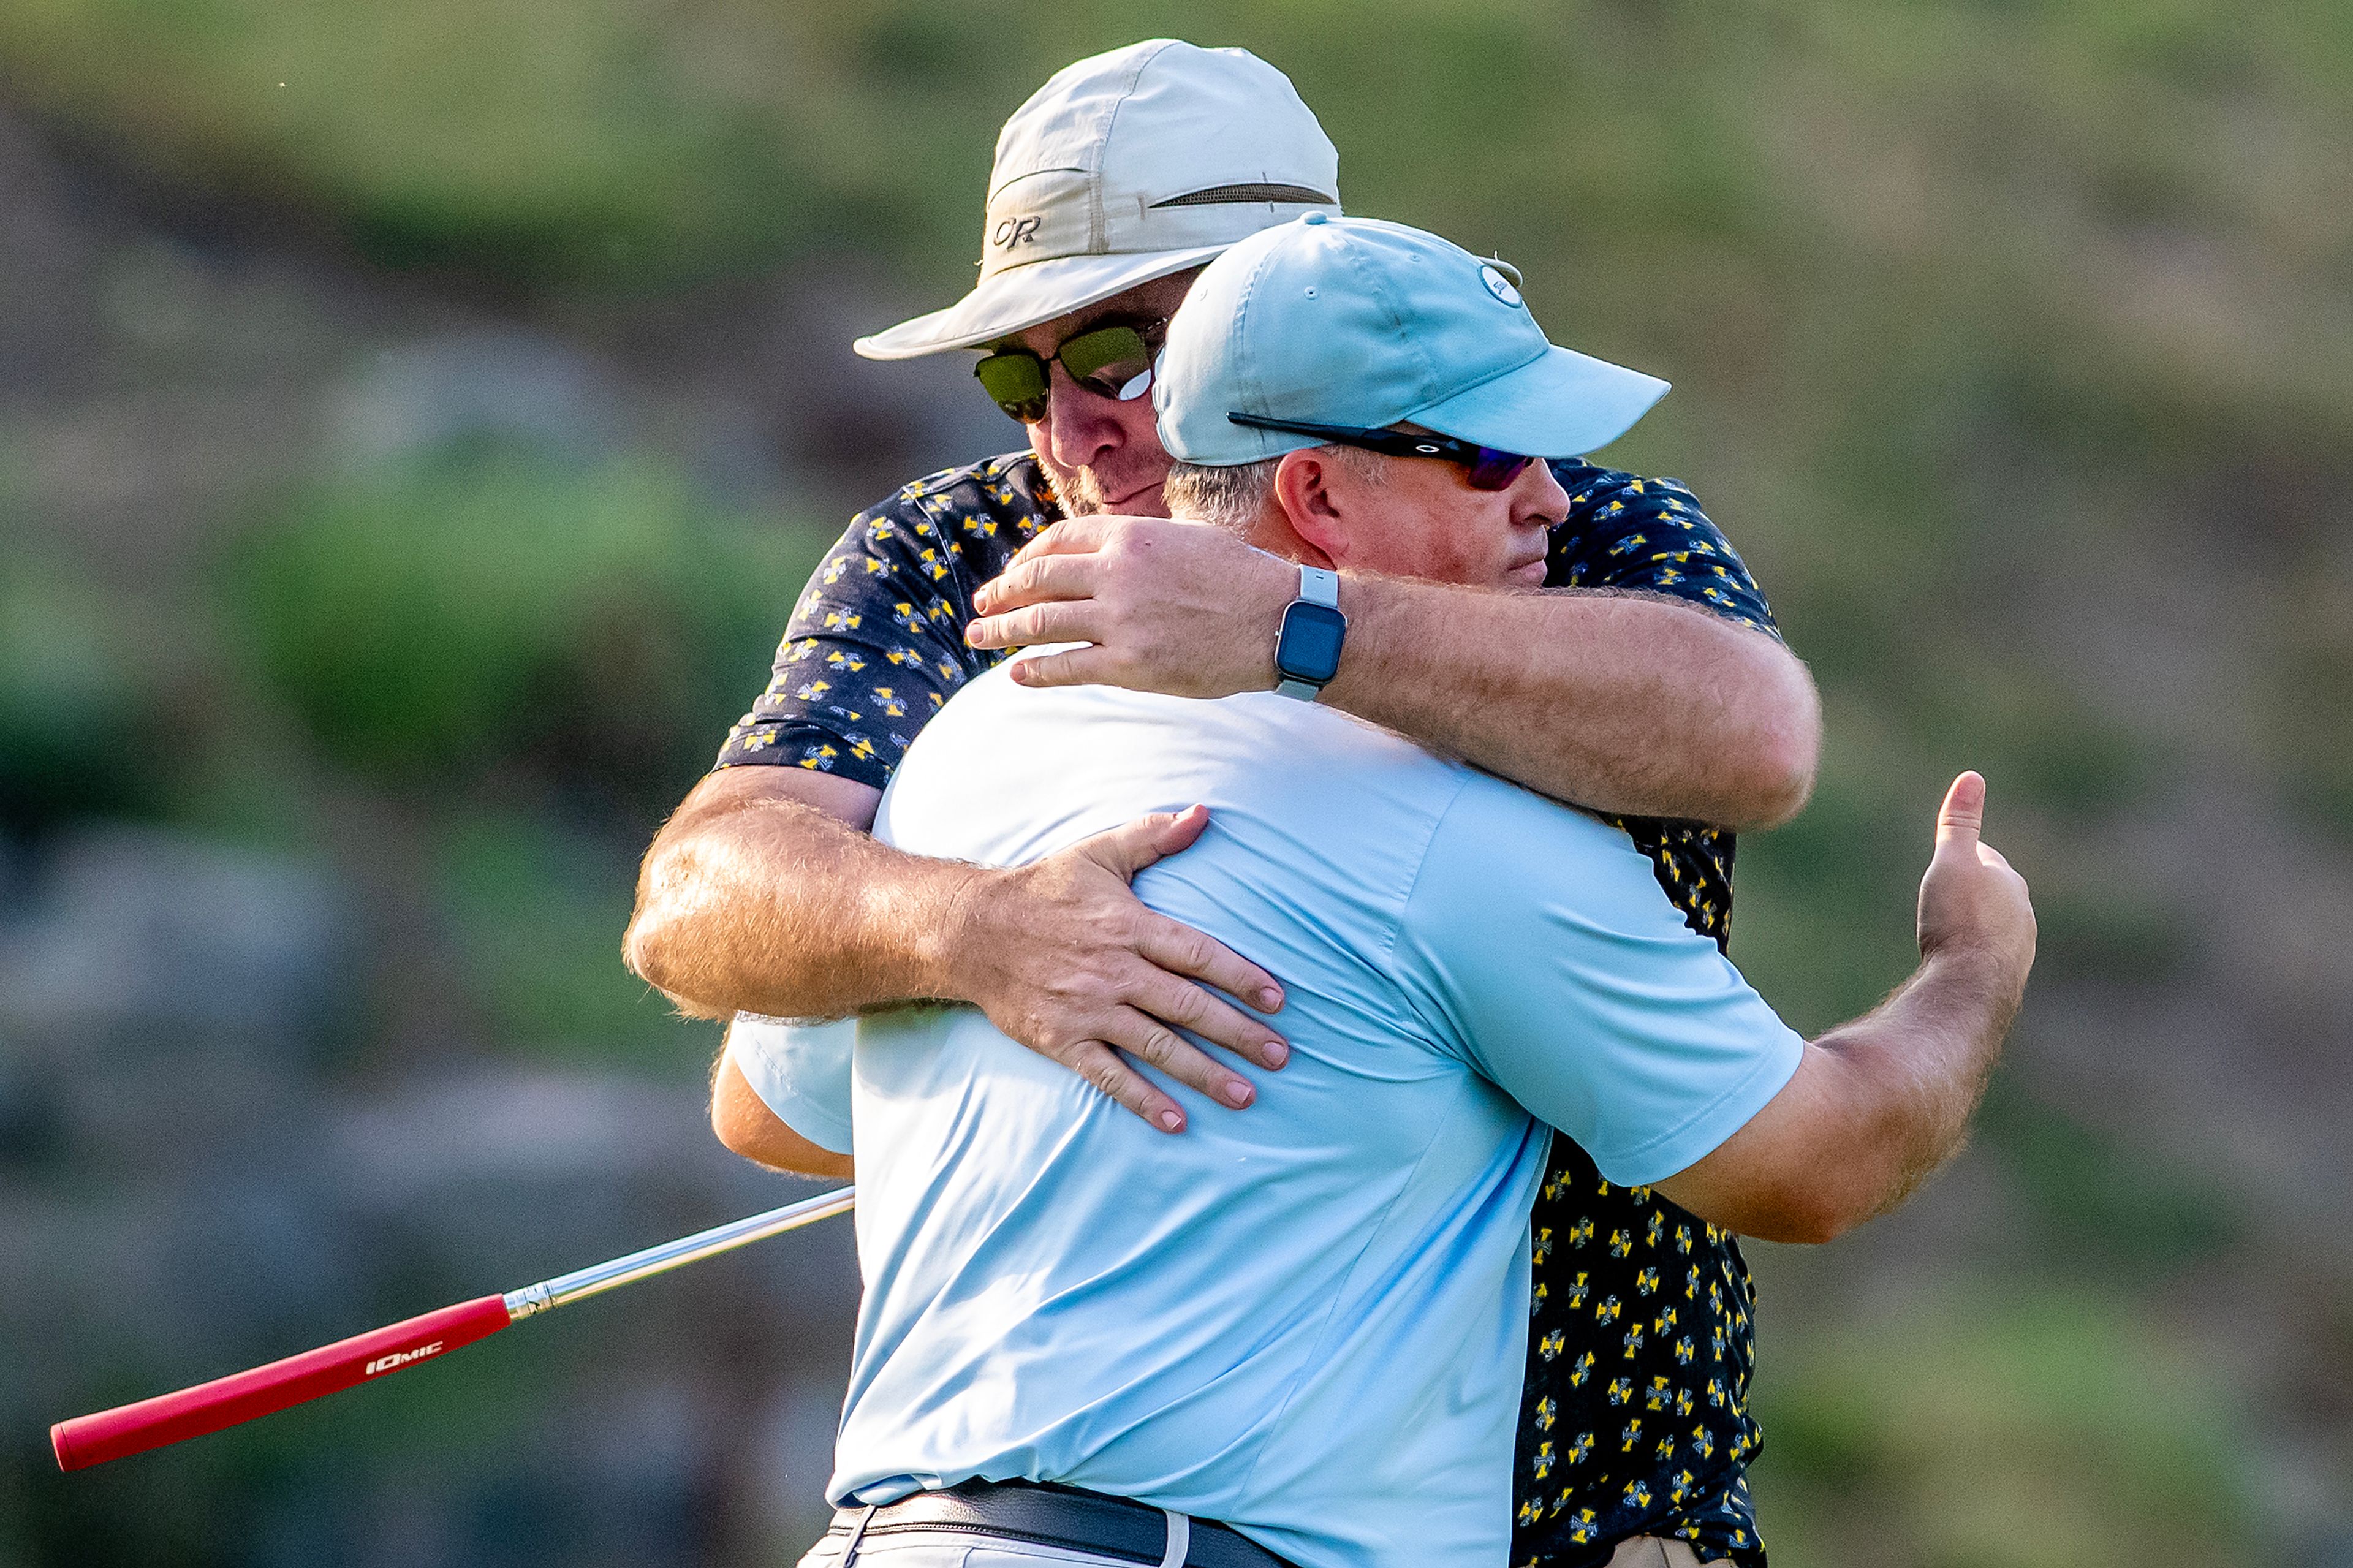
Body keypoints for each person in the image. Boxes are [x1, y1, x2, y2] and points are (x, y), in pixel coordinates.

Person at [626, 39, 1825, 1564]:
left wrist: (1292, 625)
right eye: (1022, 373)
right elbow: (702, 906)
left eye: (1123, 353)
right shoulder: (944, 555)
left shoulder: (1526, 504)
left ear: (1285, 297)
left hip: (1602, 1493)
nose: (1071, 427)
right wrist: (976, 930)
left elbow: (1751, 735)